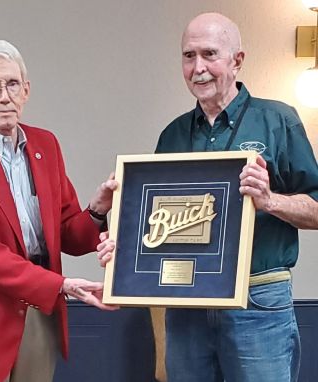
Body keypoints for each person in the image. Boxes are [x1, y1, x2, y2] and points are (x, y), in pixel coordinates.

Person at [97, 12, 318, 382]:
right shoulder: (173, 136)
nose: (198, 67)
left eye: (210, 54)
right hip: (187, 307)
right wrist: (121, 250)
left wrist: (269, 201)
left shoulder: (278, 121)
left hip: (258, 299)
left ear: (237, 61)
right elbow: (154, 223)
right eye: (188, 56)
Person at [0, 39, 118, 382]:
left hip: (39, 315)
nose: (4, 96)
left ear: (26, 90)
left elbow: (67, 234)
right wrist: (61, 284)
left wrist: (96, 209)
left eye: (12, 83)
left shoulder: (46, 145)